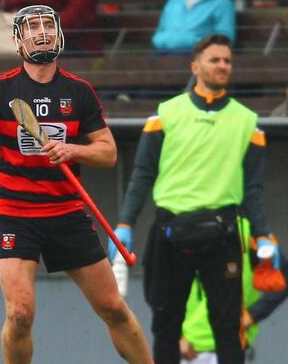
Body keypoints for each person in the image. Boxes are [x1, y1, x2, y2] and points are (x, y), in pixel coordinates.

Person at [0, 5, 153, 364]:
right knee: (20, 313)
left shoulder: (79, 92)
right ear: (18, 39)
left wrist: (72, 149)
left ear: (58, 34)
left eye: (47, 25)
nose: (41, 33)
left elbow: (108, 154)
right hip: (15, 212)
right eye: (32, 27)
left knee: (113, 308)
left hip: (66, 211)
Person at [110, 34, 276, 364]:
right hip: (171, 230)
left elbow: (253, 188)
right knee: (166, 326)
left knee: (228, 328)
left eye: (228, 61)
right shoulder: (166, 113)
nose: (223, 66)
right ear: (195, 66)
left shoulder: (248, 121)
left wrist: (263, 234)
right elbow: (142, 172)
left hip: (224, 232)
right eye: (215, 60)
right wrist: (125, 223)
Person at [178, 217, 288, 364]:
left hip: (228, 348)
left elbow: (287, 277)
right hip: (187, 350)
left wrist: (252, 314)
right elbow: (167, 288)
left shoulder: (246, 231)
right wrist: (176, 335)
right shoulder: (183, 226)